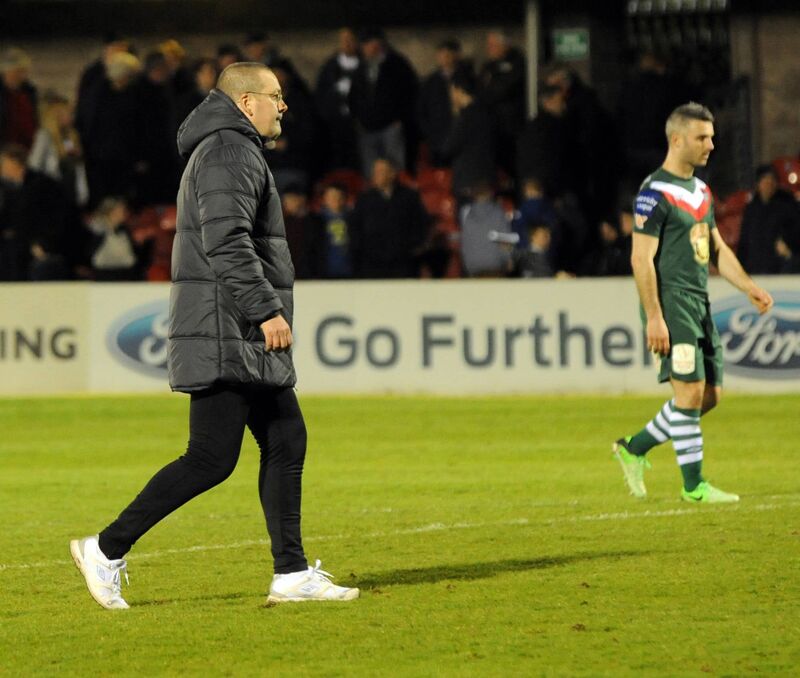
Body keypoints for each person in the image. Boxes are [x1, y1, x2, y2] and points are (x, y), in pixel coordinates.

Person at [70, 61, 359, 609]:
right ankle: (105, 548)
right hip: (229, 325)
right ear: (247, 102)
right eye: (276, 95)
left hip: (231, 325)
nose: (283, 105)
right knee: (210, 457)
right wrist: (267, 310)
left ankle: (291, 572)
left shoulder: (228, 147)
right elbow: (226, 242)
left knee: (284, 438)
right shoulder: (229, 151)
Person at [613, 102, 774, 503]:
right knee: (687, 395)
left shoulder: (700, 190)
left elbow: (716, 248)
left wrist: (748, 286)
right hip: (671, 301)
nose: (711, 144)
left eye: (712, 136)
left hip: (699, 301)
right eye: (703, 137)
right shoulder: (654, 193)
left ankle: (634, 447)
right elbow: (640, 258)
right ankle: (694, 486)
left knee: (709, 397)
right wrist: (654, 316)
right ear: (677, 139)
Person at [348, 28, 418, 176]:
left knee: (395, 168)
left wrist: (400, 118)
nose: (366, 48)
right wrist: (357, 119)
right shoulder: (361, 68)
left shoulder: (397, 64)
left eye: (369, 44)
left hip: (391, 127)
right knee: (371, 171)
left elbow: (409, 93)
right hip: (367, 128)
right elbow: (354, 96)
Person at [349, 157, 429, 278]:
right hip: (372, 265)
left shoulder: (409, 197)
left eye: (381, 171)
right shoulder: (364, 199)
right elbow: (356, 228)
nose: (375, 175)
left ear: (392, 174)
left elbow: (421, 223)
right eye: (374, 171)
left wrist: (414, 247)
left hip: (403, 263)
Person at [0, 143, 70, 280]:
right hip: (12, 250)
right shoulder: (5, 188)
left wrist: (43, 243)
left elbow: (56, 218)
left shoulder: (44, 185)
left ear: (15, 163)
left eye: (3, 163)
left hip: (38, 248)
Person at [440, 70, 496, 204]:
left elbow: (448, 148)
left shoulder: (465, 118)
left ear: (458, 90)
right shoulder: (487, 113)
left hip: (468, 182)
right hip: (486, 180)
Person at [737, 164, 800, 275]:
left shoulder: (786, 206)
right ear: (758, 185)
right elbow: (744, 242)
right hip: (755, 268)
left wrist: (787, 247)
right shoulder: (751, 210)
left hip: (779, 268)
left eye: (772, 181)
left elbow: (794, 234)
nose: (769, 184)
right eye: (765, 181)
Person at [314, 27, 360, 171]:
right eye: (343, 41)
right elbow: (321, 94)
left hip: (358, 123)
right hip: (335, 124)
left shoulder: (364, 63)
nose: (347, 44)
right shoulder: (330, 67)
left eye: (350, 40)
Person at [416, 39, 466, 167]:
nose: (444, 58)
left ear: (456, 55)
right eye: (441, 55)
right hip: (437, 140)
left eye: (447, 55)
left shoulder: (466, 78)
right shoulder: (431, 81)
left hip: (461, 138)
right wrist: (429, 134)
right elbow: (422, 109)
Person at [0, 48, 38, 150]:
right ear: (6, 71)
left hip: (26, 150)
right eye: (19, 71)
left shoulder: (28, 93)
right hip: (5, 150)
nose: (22, 76)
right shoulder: (4, 95)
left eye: (24, 71)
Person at [316, 183, 353, 278]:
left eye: (339, 197)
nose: (336, 200)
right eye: (332, 196)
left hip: (349, 271)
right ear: (325, 199)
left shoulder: (353, 219)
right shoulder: (316, 220)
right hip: (325, 271)